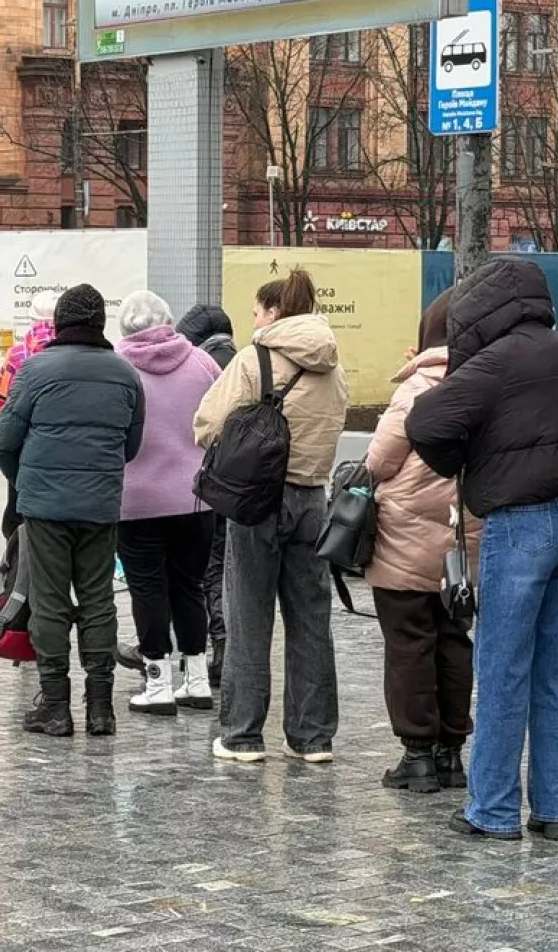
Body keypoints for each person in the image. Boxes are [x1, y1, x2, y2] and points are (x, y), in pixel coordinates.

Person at [405, 258, 558, 842]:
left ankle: (491, 810)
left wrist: (462, 463)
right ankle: (556, 811)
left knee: (502, 670)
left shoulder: (493, 361)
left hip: (519, 526)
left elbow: (425, 422)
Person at [193, 267, 348, 765]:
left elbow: (208, 423)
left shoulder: (254, 358)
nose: (254, 320)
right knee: (311, 619)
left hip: (259, 500)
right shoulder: (332, 364)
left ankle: (241, 734)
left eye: (259, 311)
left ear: (276, 312)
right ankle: (312, 737)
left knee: (248, 615)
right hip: (313, 499)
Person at [0, 283, 146, 738]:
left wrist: (23, 481)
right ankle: (101, 709)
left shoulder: (36, 371)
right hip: (100, 505)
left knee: (50, 601)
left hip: (44, 505)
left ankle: (55, 707)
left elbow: (3, 439)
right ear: (101, 323)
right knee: (98, 599)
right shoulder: (125, 375)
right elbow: (131, 446)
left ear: (59, 323)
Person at [365, 289, 481, 794]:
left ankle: (416, 756)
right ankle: (451, 754)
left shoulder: (420, 386)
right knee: (455, 640)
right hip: (462, 538)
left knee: (409, 642)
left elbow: (379, 459)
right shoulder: (485, 381)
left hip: (405, 537)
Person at [112, 291, 221, 716]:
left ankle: (157, 682)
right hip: (195, 498)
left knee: (147, 589)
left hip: (135, 498)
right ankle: (195, 680)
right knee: (188, 587)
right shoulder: (201, 362)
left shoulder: (118, 365)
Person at [176, 303, 237, 685]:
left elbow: (204, 426)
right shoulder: (242, 359)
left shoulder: (205, 366)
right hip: (243, 484)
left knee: (210, 570)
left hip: (213, 483)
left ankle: (221, 649)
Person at [0, 289, 59, 538]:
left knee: (17, 511)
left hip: (24, 446)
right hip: (65, 448)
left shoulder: (18, 354)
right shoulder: (74, 352)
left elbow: (2, 400)